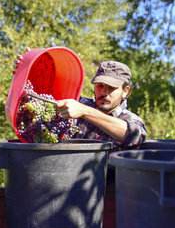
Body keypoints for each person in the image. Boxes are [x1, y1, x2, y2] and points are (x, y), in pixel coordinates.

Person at [15, 48, 147, 151]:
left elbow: (133, 135)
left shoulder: (129, 119)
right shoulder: (78, 103)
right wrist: (28, 70)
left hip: (103, 185)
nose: (104, 92)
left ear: (125, 91)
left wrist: (85, 111)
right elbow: (39, 102)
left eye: (112, 88)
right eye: (100, 86)